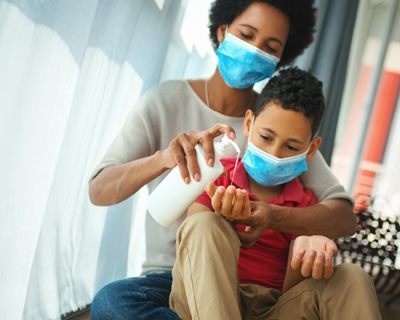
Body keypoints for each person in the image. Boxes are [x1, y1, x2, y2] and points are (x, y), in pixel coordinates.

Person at [89, 1, 357, 319]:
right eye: (247, 34)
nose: (256, 50)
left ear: (279, 60)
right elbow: (100, 190)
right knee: (112, 302)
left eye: (270, 47)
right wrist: (162, 159)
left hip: (248, 281)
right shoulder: (165, 102)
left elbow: (342, 216)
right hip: (171, 274)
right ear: (223, 30)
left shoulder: (275, 125)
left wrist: (272, 216)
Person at [169, 67, 381, 319]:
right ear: (249, 123)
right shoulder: (217, 175)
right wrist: (221, 214)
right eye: (266, 137)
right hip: (203, 300)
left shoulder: (306, 206)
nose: (275, 153)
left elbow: (295, 293)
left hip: (272, 309)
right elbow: (193, 236)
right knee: (204, 223)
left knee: (352, 276)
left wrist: (304, 252)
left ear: (311, 149)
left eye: (291, 146)